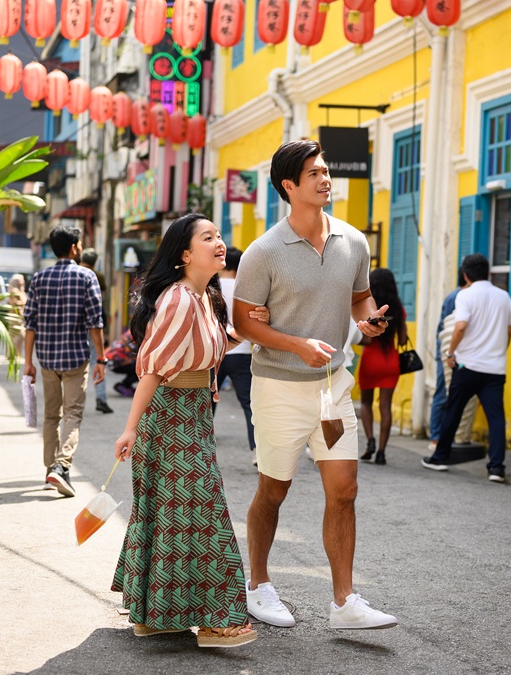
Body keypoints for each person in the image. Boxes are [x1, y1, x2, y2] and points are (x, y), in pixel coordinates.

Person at [233, 139, 399, 631]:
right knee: (274, 489)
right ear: (289, 186)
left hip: (332, 390)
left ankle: (344, 602)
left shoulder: (354, 241)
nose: (326, 180)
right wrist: (296, 344)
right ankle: (258, 585)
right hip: (279, 388)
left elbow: (360, 299)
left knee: (344, 489)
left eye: (326, 171)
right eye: (314, 174)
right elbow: (244, 324)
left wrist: (369, 322)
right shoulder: (263, 252)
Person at [111, 213, 257, 648]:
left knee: (175, 517)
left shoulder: (203, 298)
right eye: (207, 237)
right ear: (184, 255)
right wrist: (129, 429)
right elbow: (153, 370)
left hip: (191, 416)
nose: (220, 243)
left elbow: (203, 349)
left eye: (219, 235)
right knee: (204, 515)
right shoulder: (178, 299)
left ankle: (157, 616)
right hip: (170, 417)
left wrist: (243, 330)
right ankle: (215, 621)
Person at [23, 225, 105, 497]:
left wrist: (28, 361)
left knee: (50, 416)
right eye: (80, 243)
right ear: (73, 247)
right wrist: (101, 358)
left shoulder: (39, 278)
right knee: (72, 413)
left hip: (46, 358)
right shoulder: (86, 276)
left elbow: (30, 323)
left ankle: (50, 470)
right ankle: (61, 466)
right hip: (74, 359)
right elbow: (95, 322)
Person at [422, 253, 511, 483]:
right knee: (496, 418)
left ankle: (441, 457)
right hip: (494, 369)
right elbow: (509, 331)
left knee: (452, 411)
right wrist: (499, 352)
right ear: (488, 272)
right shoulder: (504, 296)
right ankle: (496, 468)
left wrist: (450, 352)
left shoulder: (465, 295)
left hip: (467, 365)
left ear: (465, 275)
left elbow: (460, 326)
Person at [357, 268, 407, 466]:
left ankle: (370, 441)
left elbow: (367, 340)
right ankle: (382, 452)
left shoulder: (370, 309)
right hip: (390, 362)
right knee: (386, 406)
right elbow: (402, 341)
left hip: (371, 360)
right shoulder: (399, 309)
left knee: (367, 403)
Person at [214, 246, 257, 461]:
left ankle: (203, 448)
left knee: (206, 401)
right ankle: (256, 450)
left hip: (216, 353)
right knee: (250, 405)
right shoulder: (245, 289)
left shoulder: (211, 288)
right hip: (242, 352)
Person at [429, 268, 478, 452]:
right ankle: (435, 436)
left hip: (459, 352)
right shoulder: (456, 297)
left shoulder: (466, 296)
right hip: (448, 351)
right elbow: (449, 328)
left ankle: (444, 436)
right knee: (442, 392)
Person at [80, 248, 113, 414]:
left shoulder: (75, 273)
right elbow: (102, 300)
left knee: (76, 365)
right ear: (94, 262)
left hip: (76, 326)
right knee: (98, 361)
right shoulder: (97, 276)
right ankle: (101, 398)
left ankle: (71, 400)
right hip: (94, 324)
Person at [105, 329, 139, 397]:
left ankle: (126, 385)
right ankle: (124, 385)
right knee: (143, 367)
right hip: (115, 361)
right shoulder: (141, 335)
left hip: (109, 360)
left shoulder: (133, 330)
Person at [7, 274, 28, 359]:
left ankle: (15, 354)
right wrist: (23, 303)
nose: (23, 282)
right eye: (21, 280)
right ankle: (13, 354)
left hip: (18, 317)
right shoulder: (14, 290)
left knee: (15, 337)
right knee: (18, 336)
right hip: (15, 317)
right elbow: (14, 302)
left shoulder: (20, 290)